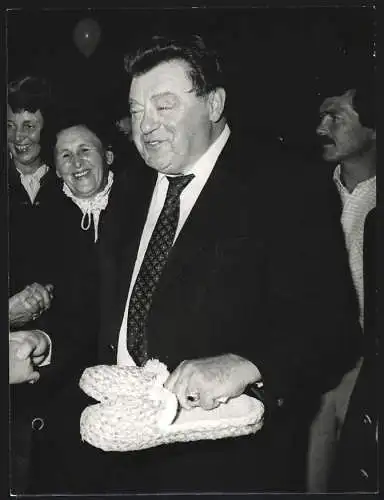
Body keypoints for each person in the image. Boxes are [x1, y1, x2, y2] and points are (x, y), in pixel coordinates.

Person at [29, 34, 361, 495]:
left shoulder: (285, 185)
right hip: (117, 455)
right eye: (138, 110)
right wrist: (44, 340)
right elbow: (98, 311)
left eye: (164, 105)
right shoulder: (127, 190)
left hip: (223, 467)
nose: (146, 125)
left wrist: (248, 365)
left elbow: (334, 329)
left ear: (214, 103)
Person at [307, 87, 376, 492]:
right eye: (321, 117)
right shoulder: (308, 196)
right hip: (320, 366)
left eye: (336, 117)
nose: (321, 127)